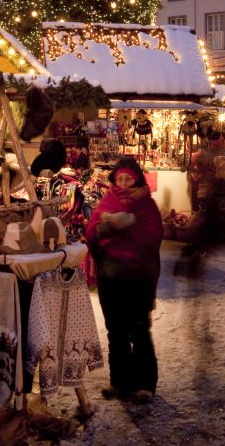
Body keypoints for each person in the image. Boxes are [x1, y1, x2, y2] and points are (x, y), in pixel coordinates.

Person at [86, 155, 163, 405]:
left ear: (138, 179)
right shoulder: (107, 200)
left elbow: (152, 237)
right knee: (115, 331)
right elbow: (92, 232)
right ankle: (119, 382)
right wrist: (105, 227)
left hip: (137, 277)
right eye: (119, 178)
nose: (124, 182)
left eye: (128, 178)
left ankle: (144, 384)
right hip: (110, 276)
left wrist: (128, 224)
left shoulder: (146, 205)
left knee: (139, 330)